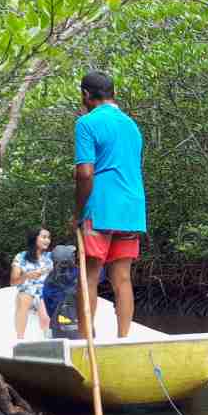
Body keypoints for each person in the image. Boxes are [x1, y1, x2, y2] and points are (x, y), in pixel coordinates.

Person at [72, 71, 146, 339]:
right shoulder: (132, 125)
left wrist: (78, 214)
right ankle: (123, 338)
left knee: (89, 275)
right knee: (122, 278)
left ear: (86, 95)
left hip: (100, 208)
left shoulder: (86, 123)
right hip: (132, 209)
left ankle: (86, 339)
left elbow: (85, 174)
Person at [10, 228, 52, 339]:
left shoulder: (51, 257)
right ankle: (20, 338)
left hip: (44, 294)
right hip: (26, 293)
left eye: (48, 237)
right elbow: (13, 282)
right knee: (24, 297)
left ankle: (48, 339)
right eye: (44, 237)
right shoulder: (20, 257)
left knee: (45, 313)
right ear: (34, 239)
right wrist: (27, 275)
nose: (47, 240)